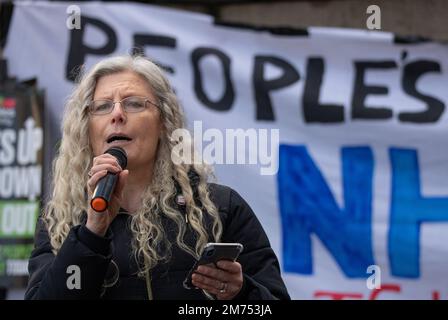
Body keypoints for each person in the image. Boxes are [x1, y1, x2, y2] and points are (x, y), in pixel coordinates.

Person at [25, 55, 290, 300]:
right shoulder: (60, 220)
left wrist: (241, 293)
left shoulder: (220, 207)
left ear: (163, 123)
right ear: (86, 128)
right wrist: (91, 233)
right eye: (103, 106)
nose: (117, 114)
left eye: (134, 103)